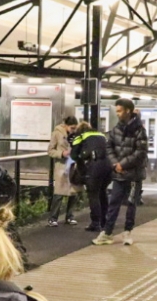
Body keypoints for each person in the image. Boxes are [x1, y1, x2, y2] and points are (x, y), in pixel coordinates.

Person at [93, 98, 148, 246]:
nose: (117, 114)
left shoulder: (140, 130)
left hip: (134, 175)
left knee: (131, 204)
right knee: (113, 203)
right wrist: (115, 163)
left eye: (119, 111)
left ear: (128, 111)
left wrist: (122, 164)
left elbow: (140, 152)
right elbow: (109, 147)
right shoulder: (116, 129)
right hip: (118, 173)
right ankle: (107, 233)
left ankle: (127, 232)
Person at [70, 121, 112, 232]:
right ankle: (104, 221)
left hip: (95, 165)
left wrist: (80, 160)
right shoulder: (101, 135)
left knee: (93, 194)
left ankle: (95, 223)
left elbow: (73, 156)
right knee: (102, 192)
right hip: (109, 166)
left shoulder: (80, 136)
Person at [46, 115, 81, 227]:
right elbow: (50, 150)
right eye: (71, 128)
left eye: (75, 128)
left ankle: (70, 216)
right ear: (66, 126)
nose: (73, 130)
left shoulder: (77, 134)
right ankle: (53, 218)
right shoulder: (57, 133)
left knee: (73, 191)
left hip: (74, 164)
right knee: (59, 192)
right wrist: (61, 153)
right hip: (62, 165)